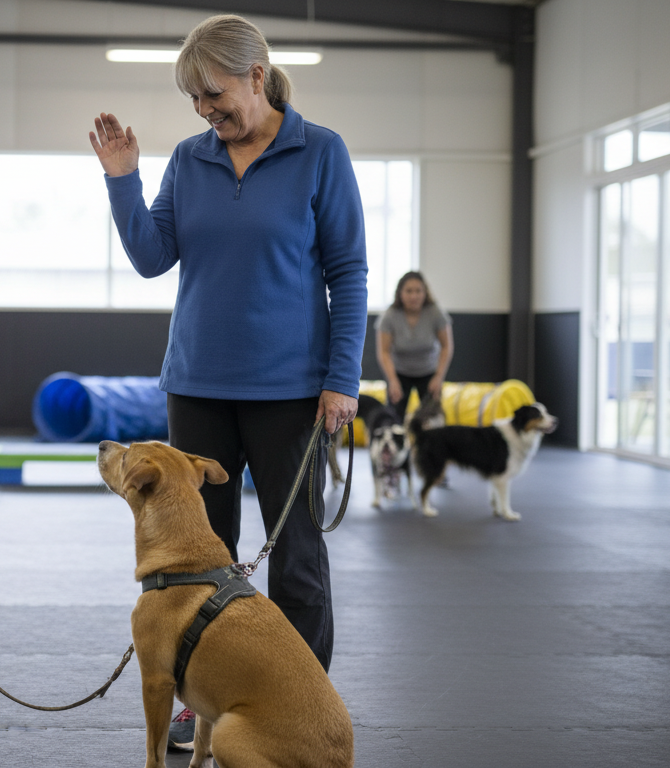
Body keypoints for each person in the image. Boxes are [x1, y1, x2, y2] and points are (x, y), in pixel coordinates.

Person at [89, 13, 367, 750]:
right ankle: (203, 702)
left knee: (296, 559)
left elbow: (348, 272)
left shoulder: (321, 152)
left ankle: (299, 705)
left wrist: (342, 376)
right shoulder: (190, 160)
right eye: (194, 100)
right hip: (198, 386)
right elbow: (152, 257)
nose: (205, 110)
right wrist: (122, 179)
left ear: (256, 75)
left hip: (292, 393)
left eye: (213, 94)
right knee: (198, 562)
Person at [375, 271, 453, 419]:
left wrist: (438, 377)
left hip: (429, 372)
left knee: (432, 417)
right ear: (400, 293)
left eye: (418, 291)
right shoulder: (390, 315)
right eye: (409, 291)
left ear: (425, 293)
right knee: (394, 416)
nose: (414, 296)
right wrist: (392, 381)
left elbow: (446, 347)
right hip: (399, 372)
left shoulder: (436, 313)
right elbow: (384, 352)